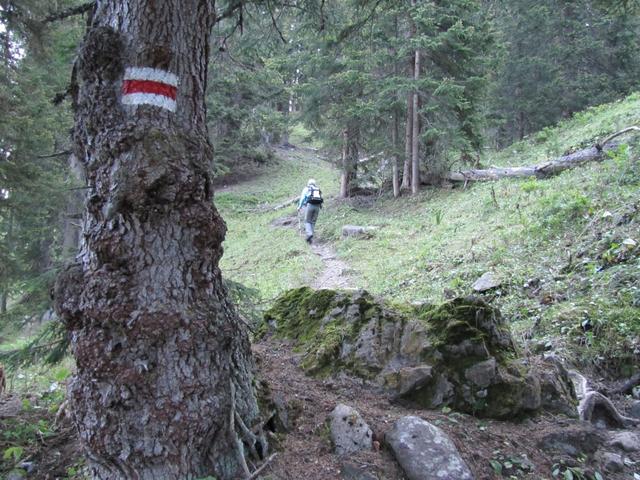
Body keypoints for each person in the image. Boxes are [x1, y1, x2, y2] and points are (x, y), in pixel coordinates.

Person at [297, 178, 323, 244]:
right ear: (314, 183)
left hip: (310, 205)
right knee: (313, 221)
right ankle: (311, 236)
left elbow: (303, 198)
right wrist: (320, 206)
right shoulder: (317, 189)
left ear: (308, 183)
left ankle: (309, 234)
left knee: (307, 221)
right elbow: (320, 198)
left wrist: (299, 206)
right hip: (317, 206)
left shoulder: (307, 189)